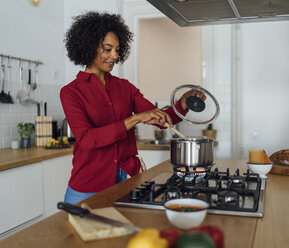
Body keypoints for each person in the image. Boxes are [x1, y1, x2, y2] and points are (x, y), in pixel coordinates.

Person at [61, 11, 204, 204]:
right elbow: (87, 140)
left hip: (128, 180)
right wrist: (135, 119)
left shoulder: (124, 87)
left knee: (128, 234)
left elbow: (162, 120)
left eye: (117, 50)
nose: (114, 56)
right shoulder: (71, 92)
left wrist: (184, 103)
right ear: (89, 47)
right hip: (88, 187)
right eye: (107, 49)